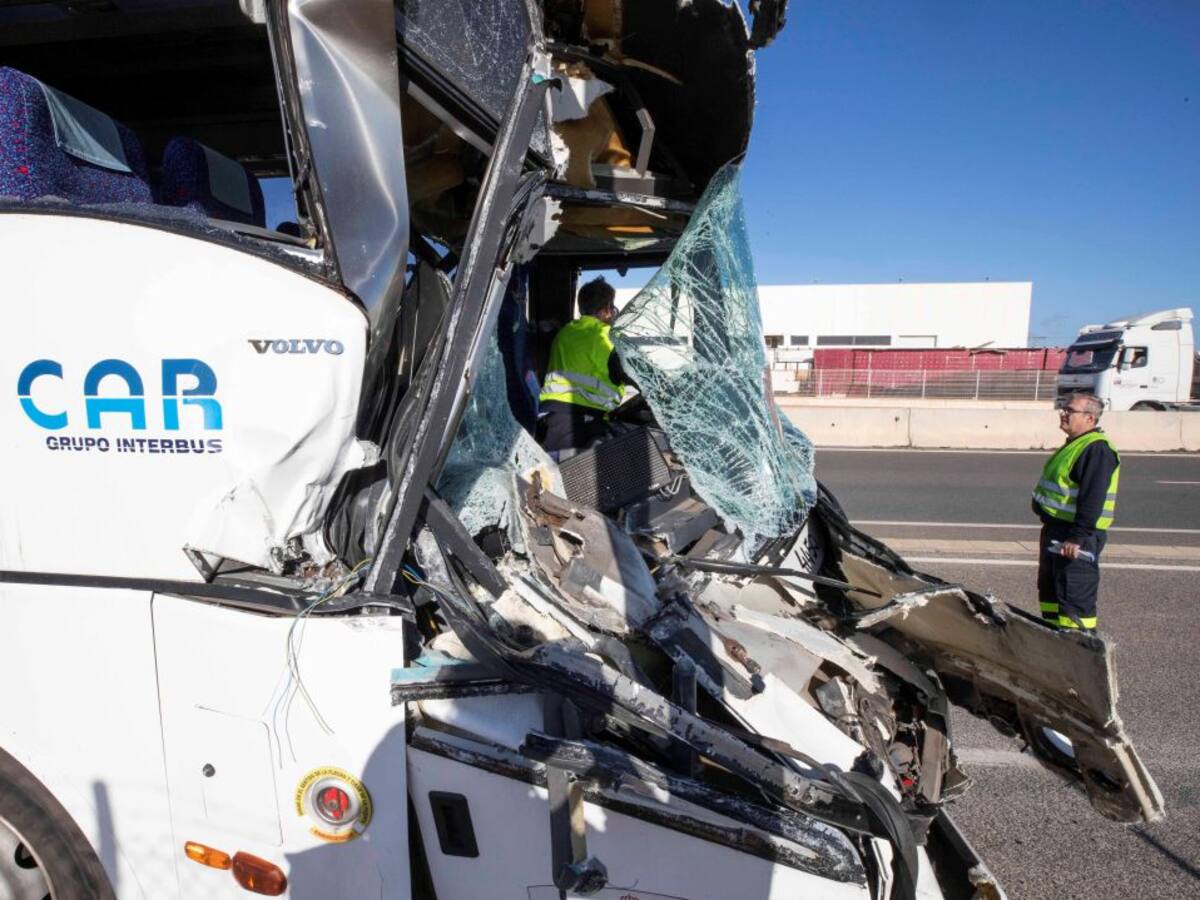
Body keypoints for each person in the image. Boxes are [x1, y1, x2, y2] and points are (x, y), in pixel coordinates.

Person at [1031, 391, 1121, 631]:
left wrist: (1077, 537)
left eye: (1070, 410)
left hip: (1074, 537)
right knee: (1051, 593)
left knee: (1074, 596)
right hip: (1057, 530)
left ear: (1090, 418)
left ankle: (1079, 649)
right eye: (1064, 408)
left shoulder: (1096, 450)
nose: (1063, 413)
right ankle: (1052, 642)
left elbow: (1093, 499)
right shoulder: (1076, 445)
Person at [536, 276, 629, 454]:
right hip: (582, 422)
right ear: (607, 309)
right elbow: (630, 373)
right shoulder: (606, 336)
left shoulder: (565, 332)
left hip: (551, 418)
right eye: (612, 307)